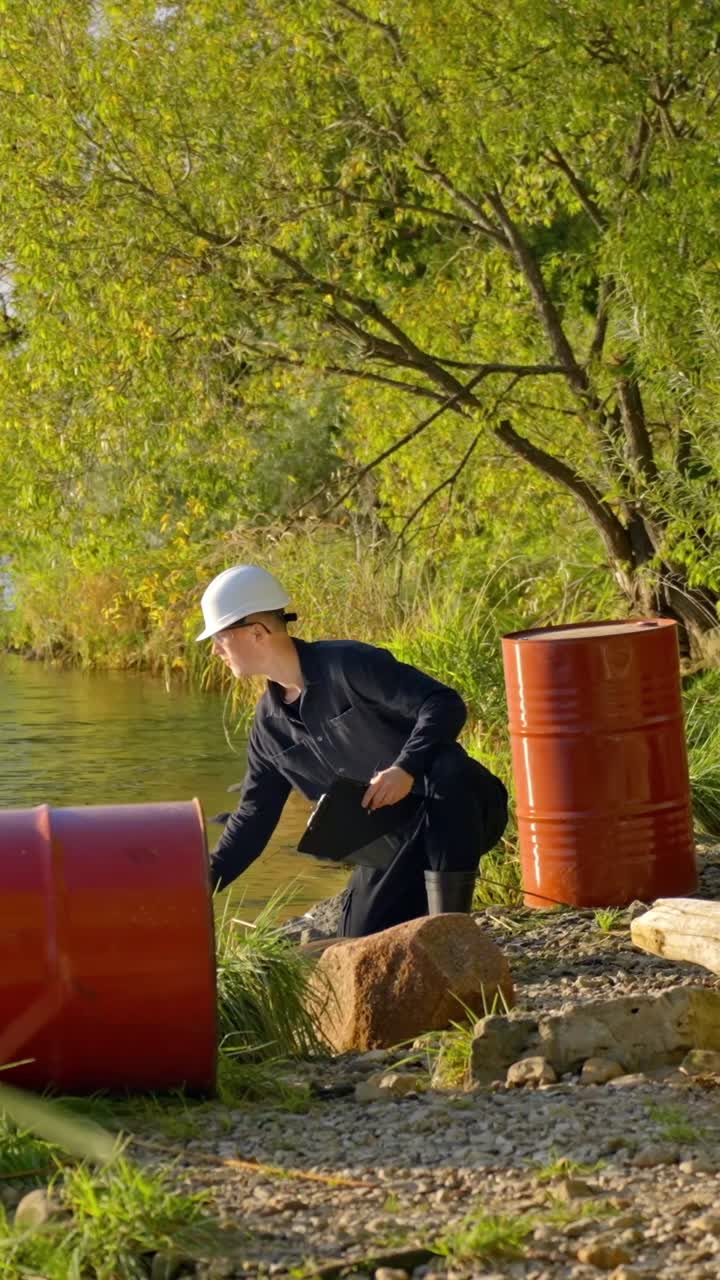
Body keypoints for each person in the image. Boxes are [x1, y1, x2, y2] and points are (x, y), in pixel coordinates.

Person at [197, 564, 508, 937]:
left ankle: (454, 932)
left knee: (447, 767)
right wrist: (200, 884)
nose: (215, 650)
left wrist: (405, 768)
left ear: (257, 632)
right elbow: (253, 816)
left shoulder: (348, 664)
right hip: (390, 847)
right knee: (360, 936)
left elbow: (443, 704)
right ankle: (428, 926)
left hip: (462, 812)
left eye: (220, 637)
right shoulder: (269, 729)